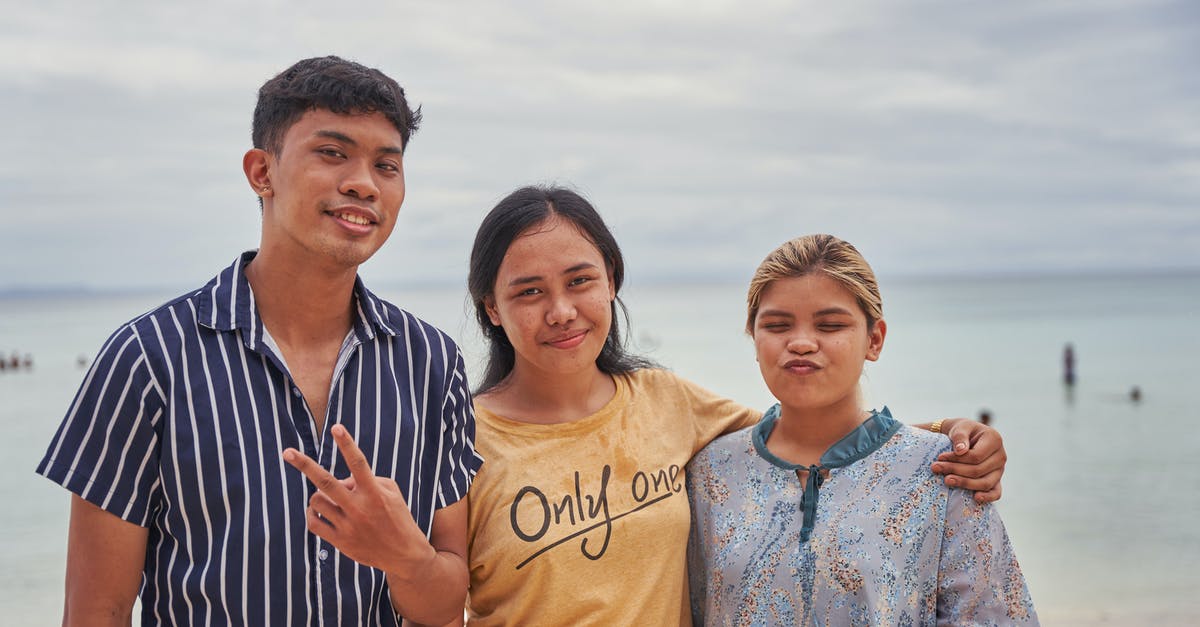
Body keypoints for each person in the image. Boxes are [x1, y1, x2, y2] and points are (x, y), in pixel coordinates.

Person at [35, 56, 482, 626]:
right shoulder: (148, 359)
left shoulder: (432, 363)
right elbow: (98, 610)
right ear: (261, 172)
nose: (363, 183)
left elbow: (446, 608)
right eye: (332, 153)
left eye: (386, 165)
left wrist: (404, 556)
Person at [433, 187, 1006, 626]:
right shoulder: (461, 437)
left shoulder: (668, 401)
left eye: (580, 280)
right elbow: (435, 596)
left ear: (611, 281)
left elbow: (809, 432)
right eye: (529, 291)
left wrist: (941, 435)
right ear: (491, 307)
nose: (560, 310)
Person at [687, 234, 1037, 624]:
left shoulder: (943, 476)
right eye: (777, 325)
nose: (801, 342)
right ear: (754, 338)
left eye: (831, 324)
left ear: (874, 339)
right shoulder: (710, 473)